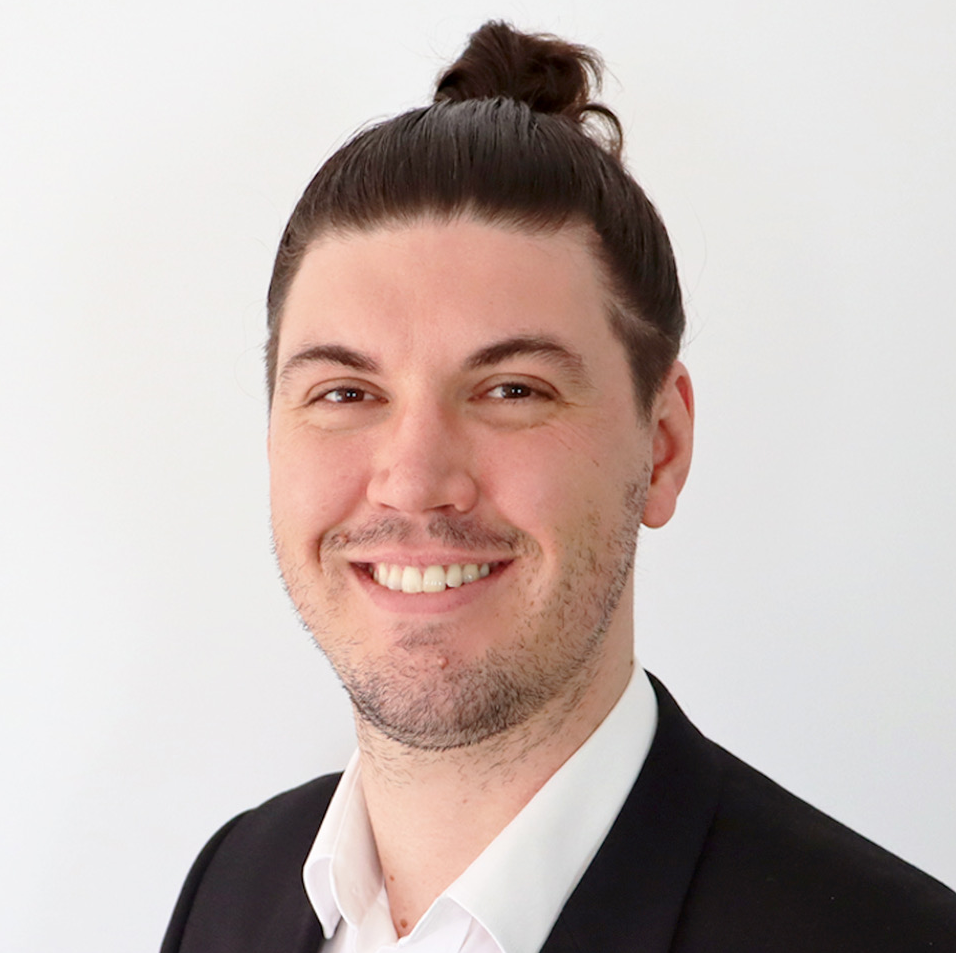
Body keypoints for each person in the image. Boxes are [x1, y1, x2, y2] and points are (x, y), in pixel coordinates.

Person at [161, 21, 956, 953]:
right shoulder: (232, 885)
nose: (414, 480)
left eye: (512, 390)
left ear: (662, 447)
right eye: (345, 392)